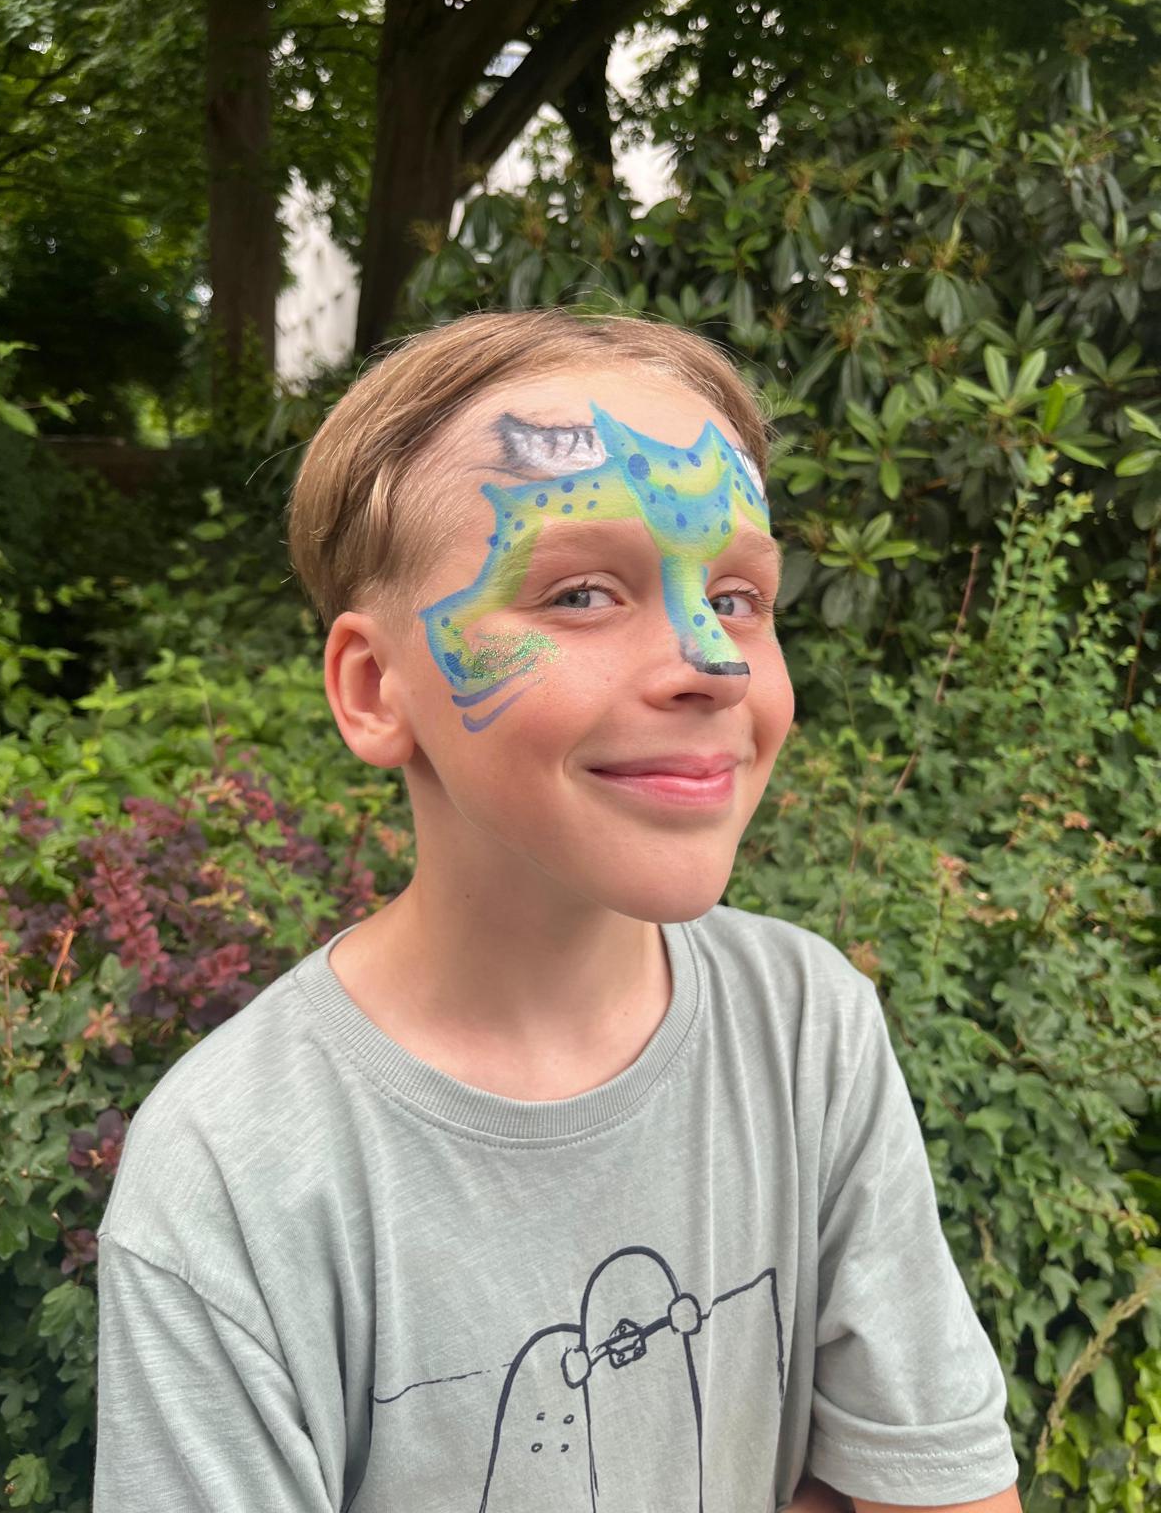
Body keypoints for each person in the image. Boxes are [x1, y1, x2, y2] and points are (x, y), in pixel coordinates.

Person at [93, 309, 1022, 1513]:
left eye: (739, 595)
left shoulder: (806, 1028)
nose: (713, 661)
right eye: (583, 592)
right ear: (376, 689)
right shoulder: (237, 1168)